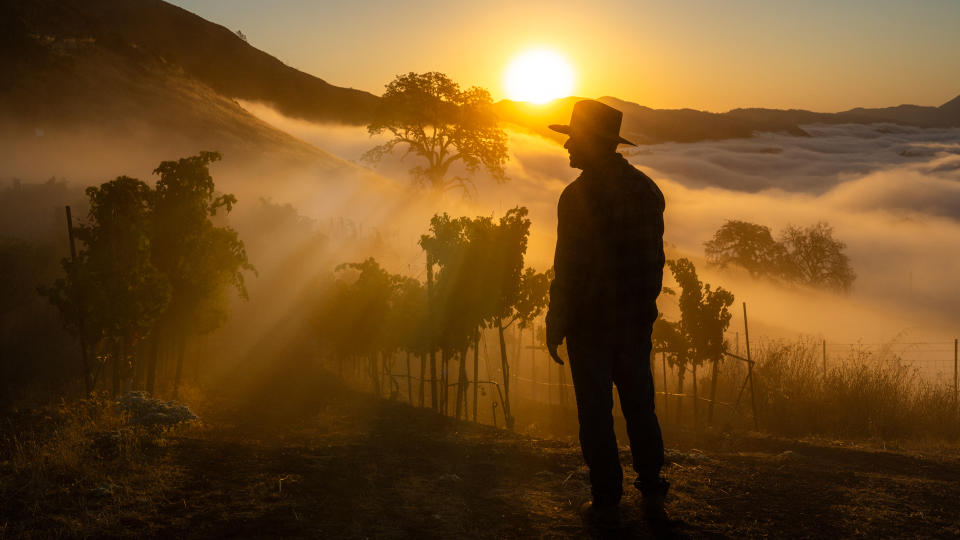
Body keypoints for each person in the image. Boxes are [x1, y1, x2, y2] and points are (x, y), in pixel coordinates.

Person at [545, 99, 669, 527]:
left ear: (592, 143)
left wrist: (555, 322)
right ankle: (652, 487)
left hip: (591, 325)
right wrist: (643, 314)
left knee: (595, 411)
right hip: (634, 323)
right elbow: (655, 263)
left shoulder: (576, 197)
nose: (566, 148)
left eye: (572, 140)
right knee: (640, 405)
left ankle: (606, 498)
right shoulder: (648, 191)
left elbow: (569, 270)